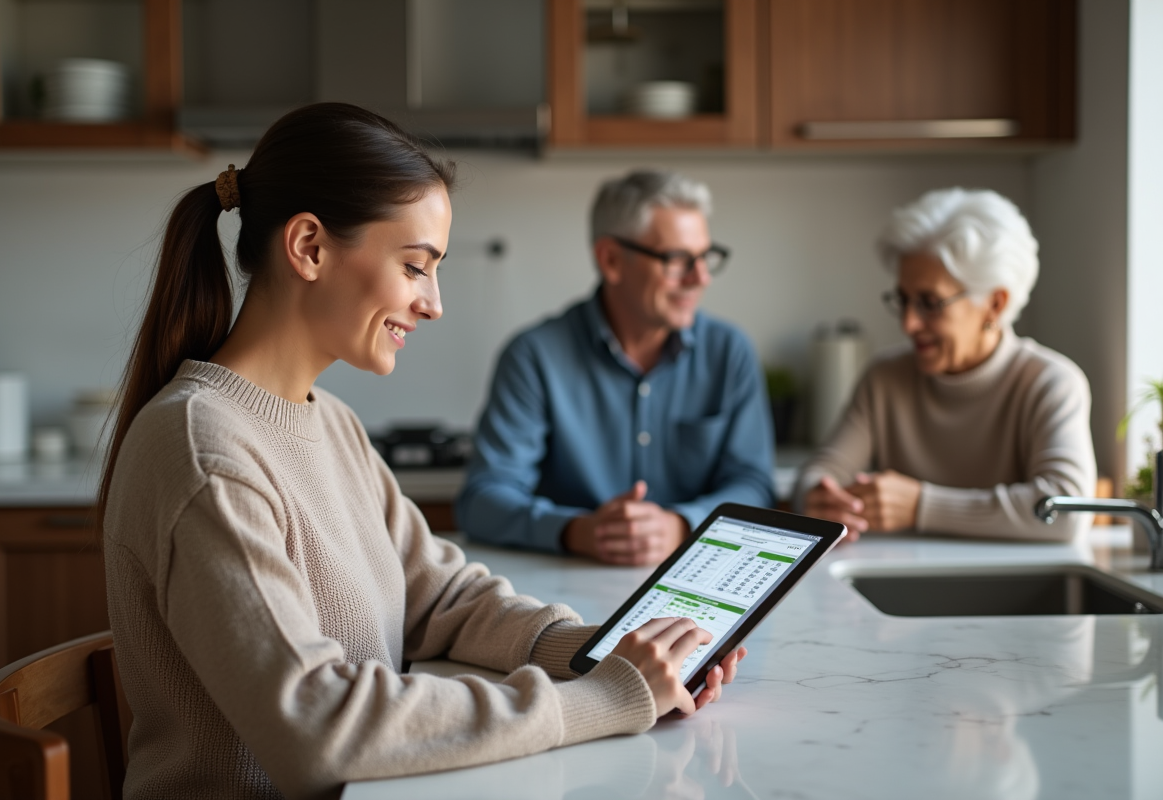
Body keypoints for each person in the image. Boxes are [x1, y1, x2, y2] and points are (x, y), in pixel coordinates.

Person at [98, 105, 746, 800]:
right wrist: (605, 700)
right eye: (415, 266)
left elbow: (441, 598)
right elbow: (319, 727)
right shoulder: (202, 450)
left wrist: (599, 649)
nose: (433, 303)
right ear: (310, 247)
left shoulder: (331, 424)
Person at [456, 170, 775, 566]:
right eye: (678, 260)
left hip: (699, 591)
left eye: (706, 257)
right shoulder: (534, 357)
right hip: (563, 593)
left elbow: (755, 486)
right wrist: (578, 531)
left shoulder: (730, 352)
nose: (701, 278)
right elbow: (483, 499)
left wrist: (680, 526)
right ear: (611, 260)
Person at [795, 187, 1097, 542]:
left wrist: (921, 505)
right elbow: (820, 474)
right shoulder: (884, 378)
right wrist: (820, 499)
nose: (908, 323)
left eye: (929, 303)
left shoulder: (1050, 382)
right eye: (903, 299)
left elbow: (1066, 512)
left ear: (995, 305)